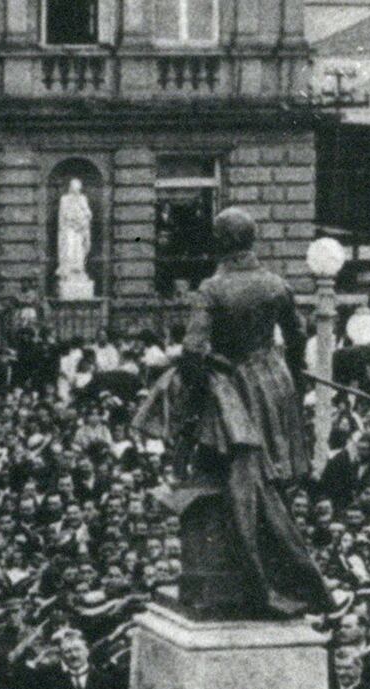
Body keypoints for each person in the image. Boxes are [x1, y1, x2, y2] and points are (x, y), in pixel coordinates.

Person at [134, 207, 330, 617]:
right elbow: (297, 339)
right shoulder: (276, 284)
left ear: (221, 241)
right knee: (270, 478)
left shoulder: (213, 288)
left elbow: (193, 350)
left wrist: (203, 376)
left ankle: (253, 575)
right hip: (275, 385)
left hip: (236, 387)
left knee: (241, 477)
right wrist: (290, 380)